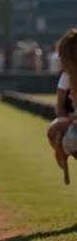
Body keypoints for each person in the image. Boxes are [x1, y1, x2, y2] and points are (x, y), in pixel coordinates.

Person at [47, 29, 77, 185]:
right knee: (57, 129)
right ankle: (62, 155)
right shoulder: (69, 76)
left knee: (63, 134)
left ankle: (62, 153)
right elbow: (60, 102)